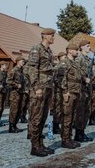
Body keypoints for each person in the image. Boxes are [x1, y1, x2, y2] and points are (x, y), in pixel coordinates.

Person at [28, 28, 56, 157]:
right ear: (45, 36)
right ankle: (34, 147)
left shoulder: (49, 51)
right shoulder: (36, 49)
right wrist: (37, 87)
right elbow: (32, 69)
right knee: (36, 117)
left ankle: (40, 143)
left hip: (48, 86)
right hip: (40, 87)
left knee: (43, 117)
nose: (53, 38)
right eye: (52, 35)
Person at [60, 43, 82, 149]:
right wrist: (65, 91)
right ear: (69, 50)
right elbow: (59, 77)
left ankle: (69, 138)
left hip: (76, 92)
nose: (77, 51)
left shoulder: (75, 63)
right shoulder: (64, 62)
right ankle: (65, 140)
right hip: (69, 93)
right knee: (67, 117)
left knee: (72, 117)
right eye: (75, 50)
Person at [74, 40, 93, 142]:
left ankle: (82, 131)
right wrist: (84, 78)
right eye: (87, 46)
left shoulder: (88, 60)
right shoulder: (79, 58)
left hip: (87, 89)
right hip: (81, 88)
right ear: (81, 47)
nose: (89, 48)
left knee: (86, 111)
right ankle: (78, 134)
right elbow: (76, 72)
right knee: (80, 112)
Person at [7, 56, 26, 133]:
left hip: (20, 93)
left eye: (23, 61)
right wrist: (16, 85)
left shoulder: (21, 71)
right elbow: (8, 81)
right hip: (14, 93)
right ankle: (11, 127)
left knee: (18, 110)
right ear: (17, 61)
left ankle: (15, 125)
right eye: (22, 61)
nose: (23, 62)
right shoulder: (14, 70)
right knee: (14, 110)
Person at [53, 51, 66, 134]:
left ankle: (58, 125)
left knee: (62, 108)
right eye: (64, 56)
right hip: (58, 91)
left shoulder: (64, 66)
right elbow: (56, 79)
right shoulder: (58, 67)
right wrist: (62, 86)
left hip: (63, 90)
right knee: (57, 109)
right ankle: (55, 126)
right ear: (60, 58)